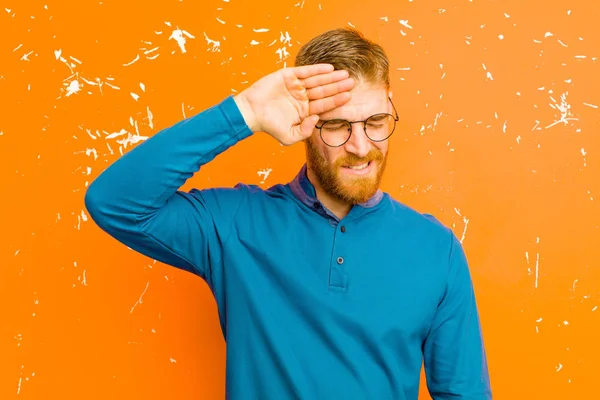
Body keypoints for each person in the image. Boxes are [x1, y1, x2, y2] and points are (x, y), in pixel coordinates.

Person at [85, 27, 492, 399]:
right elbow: (114, 203)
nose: (361, 146)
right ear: (304, 122)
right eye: (337, 126)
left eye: (376, 121)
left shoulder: (437, 250)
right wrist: (244, 112)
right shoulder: (235, 225)